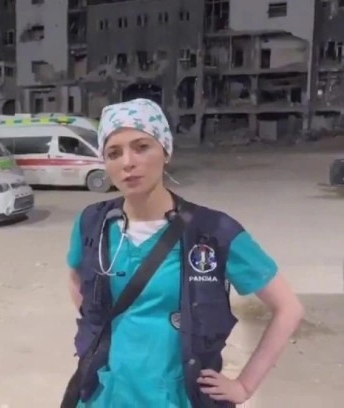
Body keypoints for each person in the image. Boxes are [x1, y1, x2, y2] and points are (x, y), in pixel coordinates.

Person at [64, 98, 304, 407]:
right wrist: (99, 329)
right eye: (114, 153)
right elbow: (75, 277)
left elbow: (288, 308)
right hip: (104, 394)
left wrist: (244, 385)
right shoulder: (92, 223)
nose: (127, 162)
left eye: (141, 147)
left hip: (175, 397)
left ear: (166, 150)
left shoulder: (214, 230)